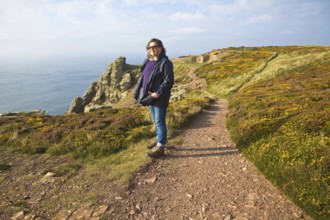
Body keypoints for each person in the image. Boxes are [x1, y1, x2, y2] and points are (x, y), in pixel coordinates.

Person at [134, 38, 174, 158]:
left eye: (155, 46)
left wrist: (158, 93)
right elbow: (142, 78)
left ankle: (161, 146)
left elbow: (169, 80)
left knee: (159, 122)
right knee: (155, 121)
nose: (152, 49)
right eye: (150, 47)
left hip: (159, 97)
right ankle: (158, 140)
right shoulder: (147, 61)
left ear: (161, 48)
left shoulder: (165, 62)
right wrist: (138, 92)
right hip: (149, 97)